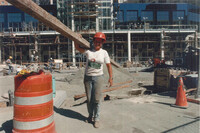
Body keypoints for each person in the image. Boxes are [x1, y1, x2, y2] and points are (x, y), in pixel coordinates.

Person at [75, 32, 113, 128]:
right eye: (96, 41)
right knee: (89, 99)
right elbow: (77, 48)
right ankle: (90, 116)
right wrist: (76, 38)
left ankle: (97, 118)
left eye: (100, 42)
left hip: (99, 78)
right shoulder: (88, 52)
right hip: (88, 77)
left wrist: (111, 78)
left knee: (97, 99)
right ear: (93, 42)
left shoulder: (104, 53)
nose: (97, 44)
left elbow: (109, 66)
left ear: (102, 43)